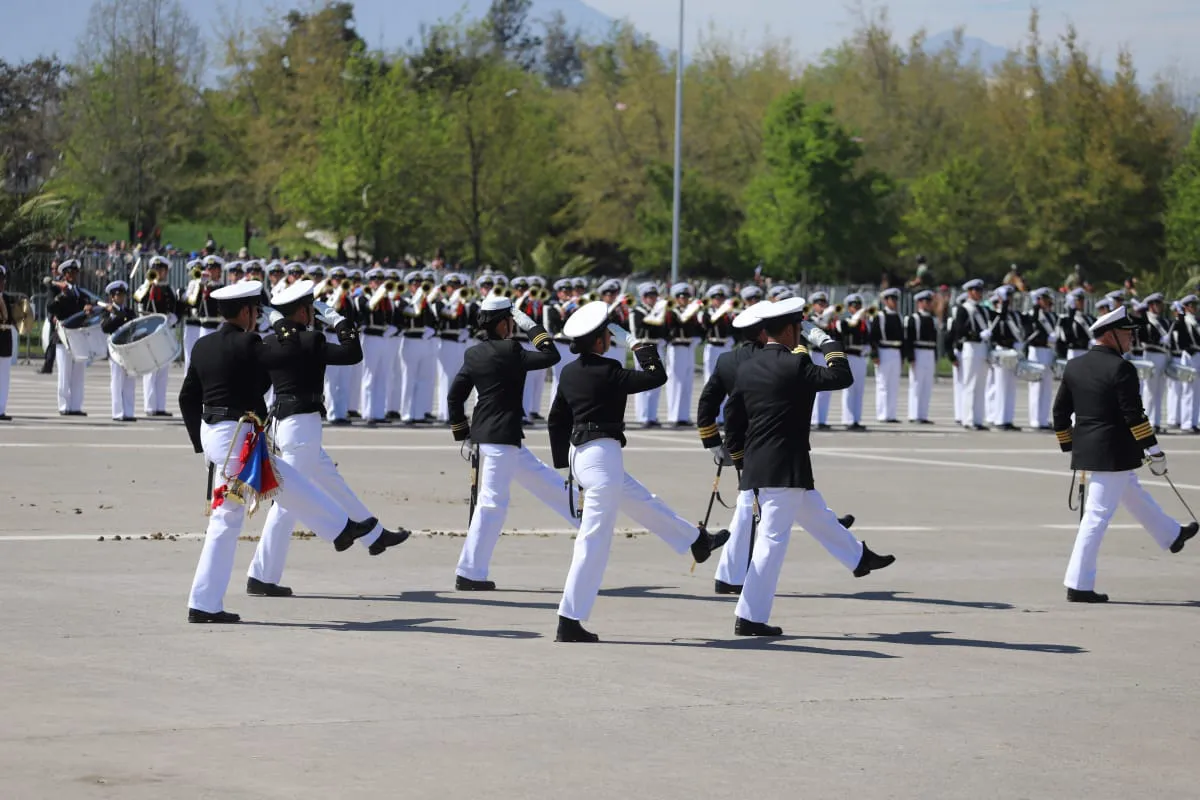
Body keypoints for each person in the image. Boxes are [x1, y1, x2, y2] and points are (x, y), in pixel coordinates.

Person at [178, 280, 383, 623]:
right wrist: (281, 322)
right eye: (257, 311)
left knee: (264, 492)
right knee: (270, 489)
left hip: (215, 434)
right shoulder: (249, 343)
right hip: (237, 436)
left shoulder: (202, 346)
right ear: (245, 311)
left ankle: (205, 602)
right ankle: (340, 528)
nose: (259, 317)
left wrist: (202, 447)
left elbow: (187, 398)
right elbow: (288, 352)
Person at [547, 301, 730, 642]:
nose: (608, 340)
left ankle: (695, 541)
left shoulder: (570, 371)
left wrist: (564, 465)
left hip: (580, 454)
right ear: (600, 341)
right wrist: (640, 347)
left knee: (641, 501)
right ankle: (568, 619)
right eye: (606, 335)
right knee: (594, 540)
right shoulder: (610, 369)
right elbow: (656, 376)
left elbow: (556, 417)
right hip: (602, 454)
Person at [723, 297, 894, 635]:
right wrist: (830, 344)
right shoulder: (794, 365)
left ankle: (858, 558)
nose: (801, 333)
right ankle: (750, 617)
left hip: (764, 465)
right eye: (799, 328)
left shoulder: (747, 367)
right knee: (772, 541)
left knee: (816, 514)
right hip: (783, 467)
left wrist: (742, 460)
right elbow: (841, 376)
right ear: (789, 330)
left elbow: (732, 418)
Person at [246, 280, 410, 596]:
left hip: (281, 423)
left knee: (331, 479)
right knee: (288, 501)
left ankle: (373, 535)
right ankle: (262, 576)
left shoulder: (269, 342)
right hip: (303, 426)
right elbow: (352, 353)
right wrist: (338, 319)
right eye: (311, 308)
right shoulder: (312, 340)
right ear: (304, 310)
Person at [697, 303, 856, 595]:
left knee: (760, 509)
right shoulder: (782, 358)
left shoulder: (727, 360)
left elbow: (709, 404)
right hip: (772, 446)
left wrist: (715, 444)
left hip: (744, 446)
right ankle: (735, 580)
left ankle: (830, 529)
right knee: (758, 515)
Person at [1052, 305, 1198, 603]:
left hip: (1094, 451)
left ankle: (1171, 534)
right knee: (1096, 516)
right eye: (1127, 333)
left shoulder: (1075, 366)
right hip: (1113, 452)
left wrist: (1071, 446)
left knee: (1131, 491)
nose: (1132, 339)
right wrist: (1154, 450)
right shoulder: (1122, 368)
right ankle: (1078, 584)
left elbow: (1059, 413)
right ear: (1110, 335)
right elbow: (1134, 416)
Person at [447, 293, 573, 589]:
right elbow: (551, 355)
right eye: (510, 321)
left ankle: (587, 522)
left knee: (548, 483)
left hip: (489, 436)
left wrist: (462, 432)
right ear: (505, 323)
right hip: (502, 437)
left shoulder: (474, 354)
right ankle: (470, 572)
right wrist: (529, 323)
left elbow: (455, 396)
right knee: (492, 503)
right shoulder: (512, 350)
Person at [134, 255, 178, 417]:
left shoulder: (169, 288)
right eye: (156, 269)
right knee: (151, 370)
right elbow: (138, 300)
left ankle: (160, 406)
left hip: (165, 330)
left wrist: (174, 318)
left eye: (162, 270)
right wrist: (148, 285)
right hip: (151, 332)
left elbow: (176, 307)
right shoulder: (145, 287)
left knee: (163, 370)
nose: (159, 272)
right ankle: (150, 406)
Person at [46, 259, 90, 416]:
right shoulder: (56, 289)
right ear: (64, 275)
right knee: (64, 373)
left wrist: (88, 308)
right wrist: (61, 295)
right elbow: (50, 307)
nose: (72, 275)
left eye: (75, 272)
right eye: (69, 273)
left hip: (78, 334)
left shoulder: (80, 292)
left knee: (78, 374)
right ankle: (64, 406)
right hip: (64, 335)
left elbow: (86, 307)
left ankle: (76, 406)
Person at [947, 279, 991, 431]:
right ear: (969, 292)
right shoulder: (963, 309)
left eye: (980, 291)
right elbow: (959, 330)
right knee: (970, 384)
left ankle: (978, 419)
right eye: (976, 291)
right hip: (971, 347)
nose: (979, 293)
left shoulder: (983, 310)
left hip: (982, 348)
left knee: (980, 385)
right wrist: (978, 334)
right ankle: (968, 419)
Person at [353, 267, 395, 426]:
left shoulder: (386, 299)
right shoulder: (362, 297)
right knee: (369, 377)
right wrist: (381, 293)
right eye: (375, 280)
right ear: (370, 282)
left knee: (382, 376)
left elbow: (390, 316)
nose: (378, 283)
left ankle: (379, 412)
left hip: (383, 337)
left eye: (380, 280)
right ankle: (368, 412)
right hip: (369, 338)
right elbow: (368, 307)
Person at [630, 283, 668, 428]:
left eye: (654, 296)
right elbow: (637, 331)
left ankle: (652, 416)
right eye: (648, 296)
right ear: (643, 298)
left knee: (656, 383)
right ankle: (643, 416)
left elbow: (663, 331)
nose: (651, 299)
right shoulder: (637, 312)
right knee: (643, 382)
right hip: (643, 348)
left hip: (657, 347)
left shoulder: (659, 312)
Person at [100, 281, 138, 422]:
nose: (121, 297)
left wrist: (121, 315)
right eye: (117, 295)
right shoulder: (107, 311)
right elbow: (105, 328)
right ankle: (117, 412)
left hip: (128, 348)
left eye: (122, 295)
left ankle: (129, 412)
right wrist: (114, 316)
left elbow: (134, 326)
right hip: (116, 348)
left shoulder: (129, 312)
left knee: (130, 381)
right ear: (112, 297)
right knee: (117, 380)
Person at [665, 282, 702, 427]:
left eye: (686, 297)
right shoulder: (671, 312)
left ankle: (684, 416)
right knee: (675, 382)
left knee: (687, 382)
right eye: (681, 297)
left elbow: (698, 329)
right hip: (676, 348)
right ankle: (674, 416)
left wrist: (697, 339)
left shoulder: (692, 313)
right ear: (676, 298)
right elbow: (668, 329)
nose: (684, 299)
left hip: (688, 347)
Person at [1024, 287, 1058, 430]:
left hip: (1048, 351)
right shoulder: (1031, 315)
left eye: (1047, 299)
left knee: (1047, 386)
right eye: (1044, 299)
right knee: (1036, 386)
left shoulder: (1051, 316)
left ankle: (1043, 419)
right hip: (1036, 351)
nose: (1047, 302)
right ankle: (1035, 420)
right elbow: (1030, 332)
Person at [1136, 293, 1171, 432]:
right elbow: (1142, 339)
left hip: (1162, 356)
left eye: (1160, 304)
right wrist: (1157, 340)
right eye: (1157, 304)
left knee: (1159, 392)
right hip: (1150, 355)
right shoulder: (1145, 321)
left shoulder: (1165, 322)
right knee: (1149, 391)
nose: (1160, 307)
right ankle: (1148, 422)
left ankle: (1156, 423)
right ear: (1151, 306)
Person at [836, 294, 870, 430]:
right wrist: (858, 316)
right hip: (849, 356)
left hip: (860, 357)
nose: (857, 308)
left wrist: (867, 347)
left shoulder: (864, 323)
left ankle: (856, 419)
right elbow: (848, 328)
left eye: (859, 306)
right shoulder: (843, 321)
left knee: (859, 390)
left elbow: (867, 337)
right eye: (854, 306)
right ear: (849, 308)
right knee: (849, 389)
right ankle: (848, 419)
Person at [870, 287, 904, 423]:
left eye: (896, 299)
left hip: (896, 352)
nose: (894, 302)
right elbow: (873, 337)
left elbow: (902, 338)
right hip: (884, 351)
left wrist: (902, 355)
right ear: (885, 301)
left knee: (893, 385)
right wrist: (875, 354)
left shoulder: (899, 316)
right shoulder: (880, 316)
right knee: (883, 384)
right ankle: (882, 414)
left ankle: (891, 414)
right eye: (891, 299)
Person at [904, 289, 938, 424]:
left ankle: (923, 414)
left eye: (930, 301)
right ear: (919, 303)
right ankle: (914, 414)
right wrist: (911, 357)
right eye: (926, 301)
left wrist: (935, 357)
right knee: (917, 384)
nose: (928, 304)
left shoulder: (931, 319)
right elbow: (909, 340)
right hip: (918, 351)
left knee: (927, 385)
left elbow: (934, 341)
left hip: (929, 352)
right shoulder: (913, 319)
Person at [0, 264, 18, 420]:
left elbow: (18, 320)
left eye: (2, 280)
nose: (1, 283)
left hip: (5, 340)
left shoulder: (7, 298)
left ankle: (1, 409)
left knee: (4, 377)